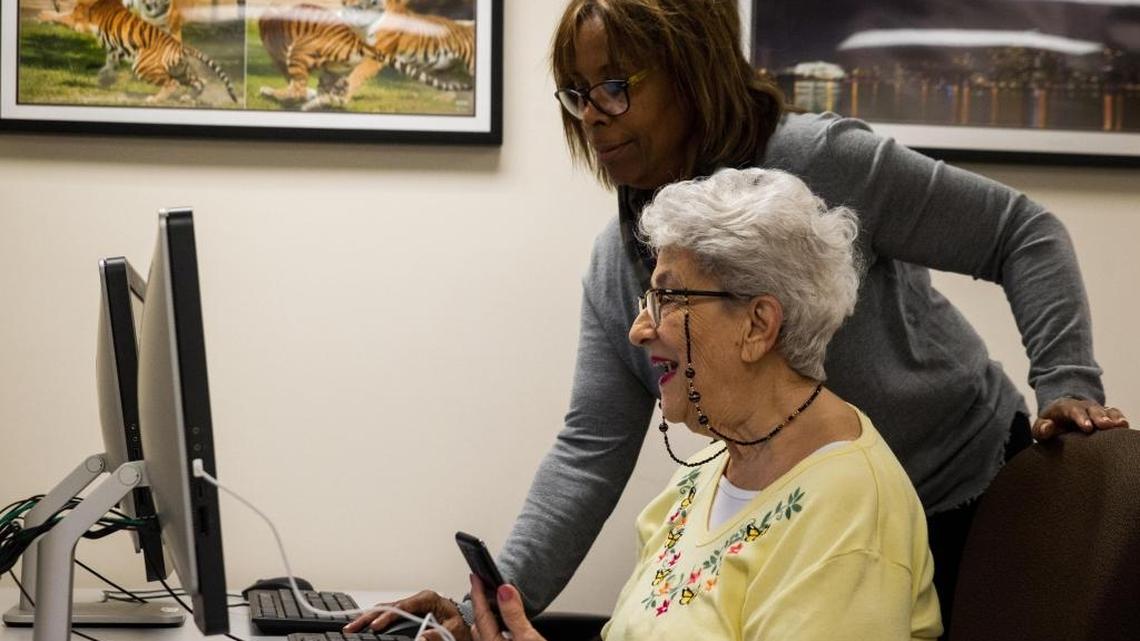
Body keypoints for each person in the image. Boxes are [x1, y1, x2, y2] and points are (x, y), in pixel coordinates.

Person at [346, 1, 1129, 638]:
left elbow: (1020, 233)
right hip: (809, 520)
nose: (593, 116)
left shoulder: (824, 164)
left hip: (966, 492)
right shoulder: (624, 264)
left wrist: (1067, 381)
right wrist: (490, 599)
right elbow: (591, 449)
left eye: (616, 87)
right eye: (576, 95)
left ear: (690, 73)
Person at [465, 167, 942, 640]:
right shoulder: (708, 468)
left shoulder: (851, 513)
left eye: (668, 297)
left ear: (757, 325)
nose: (638, 330)